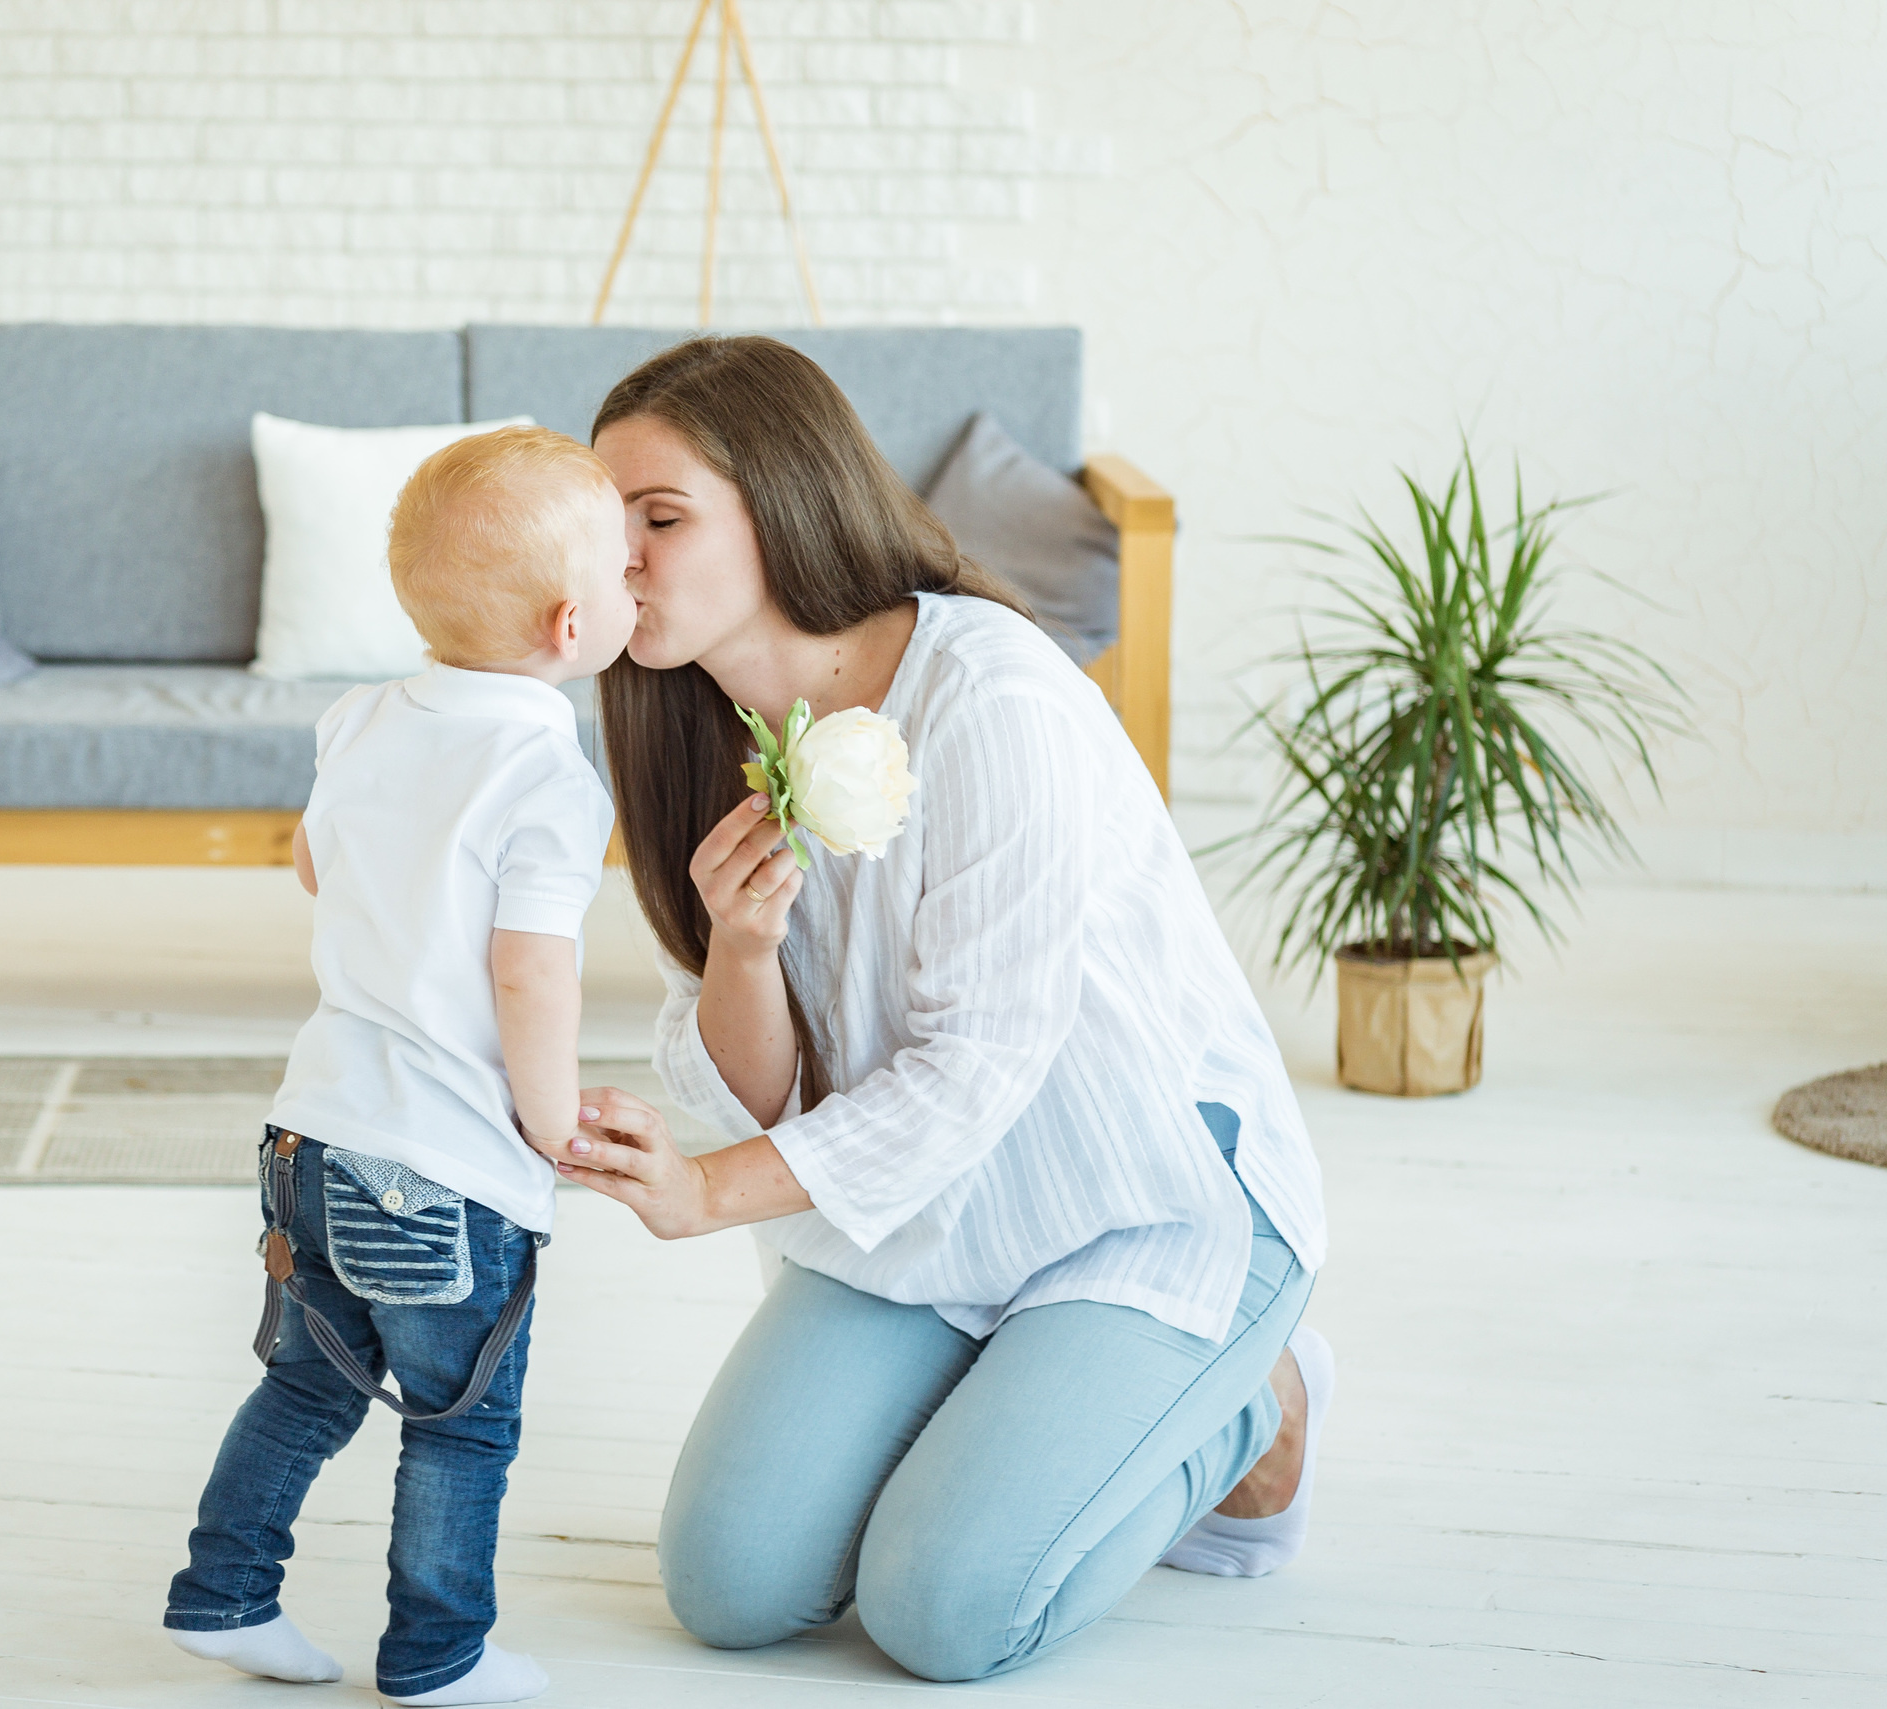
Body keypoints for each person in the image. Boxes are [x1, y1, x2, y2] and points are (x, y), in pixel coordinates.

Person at [531, 338, 1337, 1683]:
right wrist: (739, 950)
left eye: (658, 519)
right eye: (601, 525)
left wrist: (705, 1192)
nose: (618, 558)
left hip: (1143, 1191)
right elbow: (767, 1087)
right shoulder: (680, 734)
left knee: (948, 1610)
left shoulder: (995, 695)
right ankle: (1031, 1405)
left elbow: (980, 1070)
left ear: (781, 507)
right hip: (918, 1216)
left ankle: (1255, 1397)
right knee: (728, 1583)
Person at [164, 426, 637, 1707]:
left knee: (307, 1385)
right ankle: (437, 1654)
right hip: (442, 1165)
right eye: (625, 573)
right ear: (569, 621)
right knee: (458, 1418)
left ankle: (223, 1592)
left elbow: (317, 866)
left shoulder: (358, 716)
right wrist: (547, 1122)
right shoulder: (545, 770)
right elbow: (531, 971)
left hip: (310, 1138)